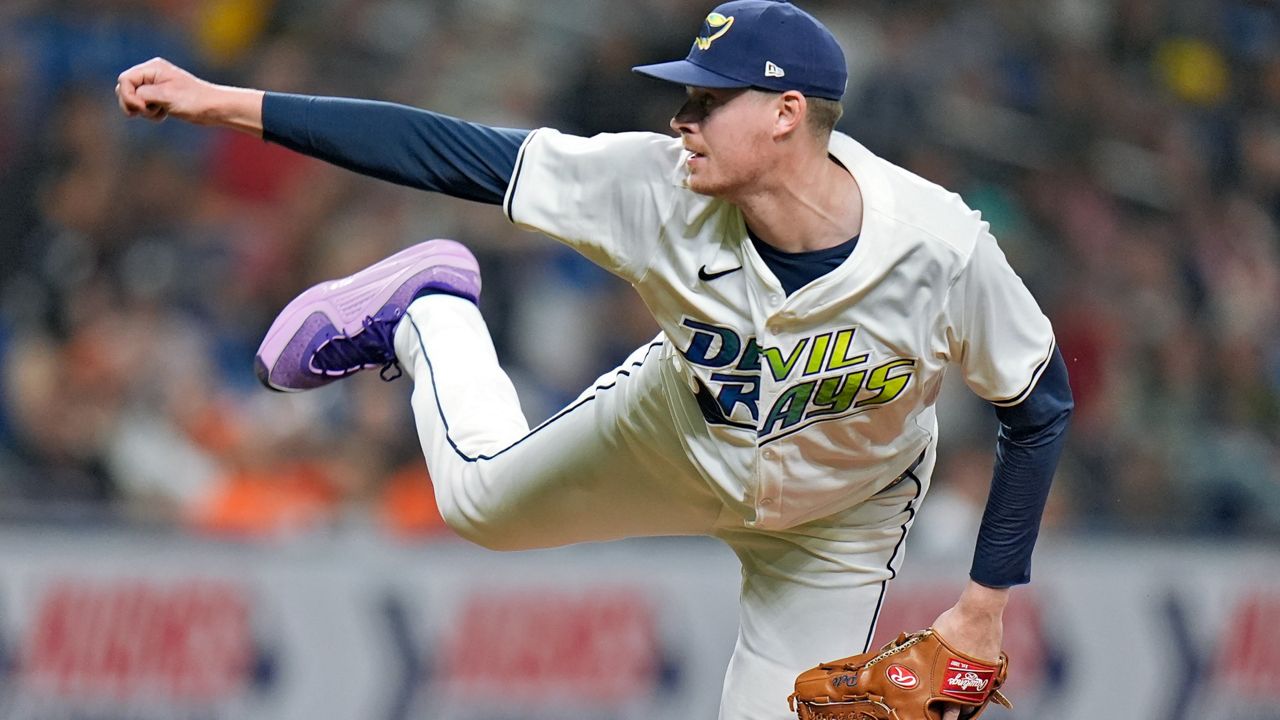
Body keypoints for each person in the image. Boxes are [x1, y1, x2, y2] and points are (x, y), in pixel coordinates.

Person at [116, 1, 1073, 717]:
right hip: (677, 434)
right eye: (684, 97)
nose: (681, 119)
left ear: (786, 113)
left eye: (706, 99)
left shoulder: (937, 247)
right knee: (476, 504)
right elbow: (446, 151)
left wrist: (985, 606)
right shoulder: (653, 187)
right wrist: (226, 103)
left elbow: (1040, 406)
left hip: (840, 521)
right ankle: (430, 312)